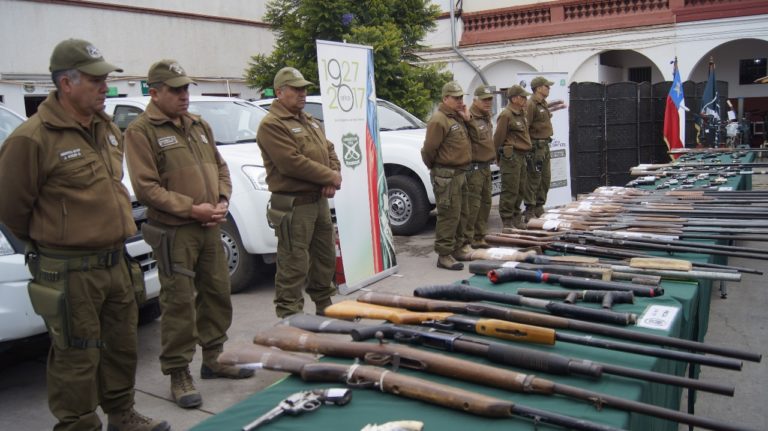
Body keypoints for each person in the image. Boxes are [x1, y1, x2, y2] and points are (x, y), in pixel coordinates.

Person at [0, 39, 169, 431]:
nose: (104, 87)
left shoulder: (105, 127)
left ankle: (122, 415)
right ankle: (79, 425)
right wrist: (55, 238)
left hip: (115, 261)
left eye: (104, 79)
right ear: (66, 84)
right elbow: (10, 208)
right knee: (77, 355)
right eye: (95, 80)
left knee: (122, 346)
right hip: (70, 270)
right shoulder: (32, 138)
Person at [124, 59, 253, 410]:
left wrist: (222, 199)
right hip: (175, 231)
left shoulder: (198, 124)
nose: (184, 95)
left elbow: (221, 167)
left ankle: (214, 358)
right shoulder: (141, 131)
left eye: (185, 88)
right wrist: (191, 209)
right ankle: (178, 373)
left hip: (209, 226)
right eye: (175, 90)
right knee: (179, 303)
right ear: (155, 92)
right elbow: (147, 188)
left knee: (217, 294)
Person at [256, 67, 341, 318]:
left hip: (318, 199)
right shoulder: (272, 125)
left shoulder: (308, 120)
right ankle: (290, 314)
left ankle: (324, 304)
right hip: (294, 204)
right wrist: (329, 177)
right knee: (294, 262)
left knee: (324, 256)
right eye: (296, 89)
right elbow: (291, 163)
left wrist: (332, 174)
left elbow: (329, 149)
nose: (302, 93)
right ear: (280, 92)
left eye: (304, 88)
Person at [421, 81, 473, 270]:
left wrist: (467, 119)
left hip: (460, 173)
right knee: (449, 215)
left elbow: (473, 139)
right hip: (446, 175)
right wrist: (437, 168)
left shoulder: (456, 117)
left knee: (462, 213)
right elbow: (428, 150)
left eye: (461, 97)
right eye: (456, 98)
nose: (460, 101)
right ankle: (444, 255)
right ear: (445, 98)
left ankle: (458, 248)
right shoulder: (439, 120)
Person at [494, 85, 532, 230]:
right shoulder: (506, 115)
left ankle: (516, 217)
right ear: (515, 98)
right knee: (510, 189)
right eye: (523, 97)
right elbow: (498, 138)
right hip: (511, 157)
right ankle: (507, 221)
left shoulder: (521, 114)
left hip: (521, 156)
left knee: (520, 189)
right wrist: (497, 157)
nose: (525, 99)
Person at [465, 85, 496, 249]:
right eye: (484, 100)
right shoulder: (468, 118)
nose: (488, 102)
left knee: (485, 203)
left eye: (489, 99)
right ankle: (467, 240)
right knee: (473, 206)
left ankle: (479, 236)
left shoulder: (485, 117)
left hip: (485, 166)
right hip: (474, 168)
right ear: (475, 100)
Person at [524, 76, 555, 220]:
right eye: (546, 86)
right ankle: (529, 209)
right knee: (534, 178)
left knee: (545, 178)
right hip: (536, 147)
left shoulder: (543, 103)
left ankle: (539, 206)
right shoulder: (531, 104)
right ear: (538, 88)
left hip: (544, 145)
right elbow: (526, 126)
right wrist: (528, 147)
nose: (549, 88)